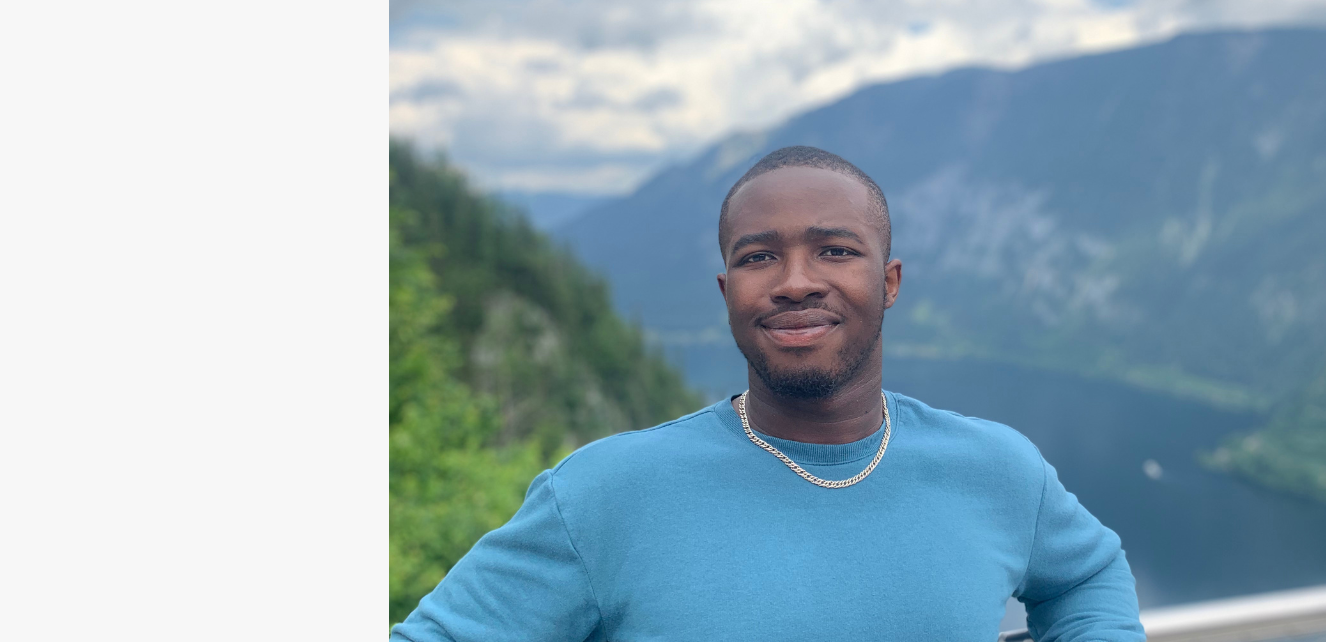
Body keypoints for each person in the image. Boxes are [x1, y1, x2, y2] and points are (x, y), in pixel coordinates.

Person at [389, 146, 1144, 642]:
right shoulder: (603, 495)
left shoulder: (998, 470)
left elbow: (1088, 574)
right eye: (759, 257)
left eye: (835, 250)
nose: (795, 282)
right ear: (728, 292)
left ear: (889, 282)